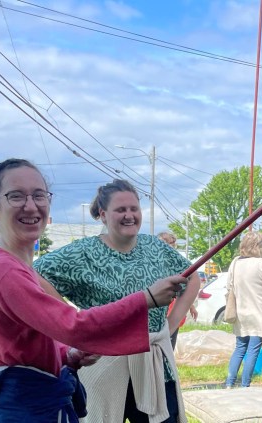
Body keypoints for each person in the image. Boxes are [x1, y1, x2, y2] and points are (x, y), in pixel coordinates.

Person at [0, 158, 185, 422]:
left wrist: (67, 354)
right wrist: (145, 299)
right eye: (16, 196)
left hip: (36, 398)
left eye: (39, 195)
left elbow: (28, 344)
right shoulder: (4, 270)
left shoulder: (13, 264)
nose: (31, 205)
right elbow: (73, 326)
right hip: (23, 404)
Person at [34, 180, 199, 423]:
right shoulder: (83, 253)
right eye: (121, 210)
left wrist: (170, 324)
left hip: (152, 366)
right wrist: (71, 321)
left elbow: (192, 276)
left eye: (134, 209)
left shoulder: (154, 246)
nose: (129, 215)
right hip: (103, 364)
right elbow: (34, 273)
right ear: (103, 215)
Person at [224, 231, 262, 388]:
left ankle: (229, 383)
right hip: (259, 311)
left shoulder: (236, 263)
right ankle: (245, 385)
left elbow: (229, 286)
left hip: (240, 311)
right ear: (259, 246)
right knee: (253, 349)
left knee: (240, 348)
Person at [157, 231, 198, 351]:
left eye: (172, 244)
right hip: (161, 308)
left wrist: (191, 306)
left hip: (170, 308)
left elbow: (186, 285)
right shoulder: (157, 261)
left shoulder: (175, 262)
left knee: (168, 344)